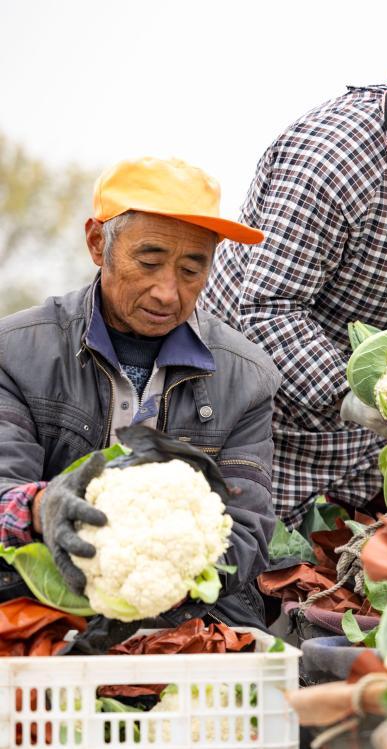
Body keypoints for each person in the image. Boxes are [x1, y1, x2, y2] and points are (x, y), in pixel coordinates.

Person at [201, 4, 387, 527]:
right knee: (242, 561)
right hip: (250, 399)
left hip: (370, 424)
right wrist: (349, 396)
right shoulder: (331, 161)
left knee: (352, 567)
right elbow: (268, 308)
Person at [0, 156, 281, 628]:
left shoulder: (247, 377)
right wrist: (41, 507)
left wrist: (173, 569)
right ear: (97, 243)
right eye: (149, 261)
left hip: (191, 616)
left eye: (192, 270)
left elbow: (248, 530)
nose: (167, 293)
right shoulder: (15, 352)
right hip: (36, 604)